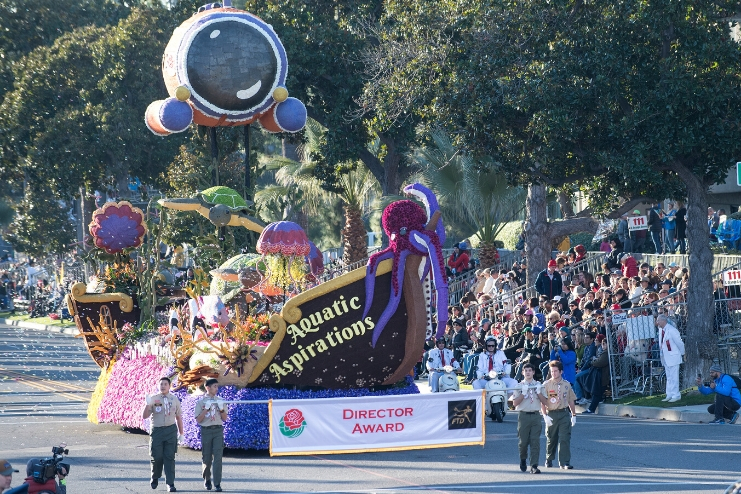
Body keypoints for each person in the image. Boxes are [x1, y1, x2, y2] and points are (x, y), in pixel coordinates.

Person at [142, 376, 184, 492]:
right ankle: (155, 477)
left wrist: (181, 433)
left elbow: (179, 417)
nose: (163, 386)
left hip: (170, 430)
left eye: (165, 384)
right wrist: (147, 404)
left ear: (169, 386)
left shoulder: (174, 399)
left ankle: (170, 483)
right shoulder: (153, 399)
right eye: (161, 384)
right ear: (158, 386)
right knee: (157, 457)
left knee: (170, 458)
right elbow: (145, 416)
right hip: (157, 431)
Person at [540, 360, 577, 469]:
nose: (553, 373)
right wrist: (544, 415)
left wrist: (574, 415)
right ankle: (549, 459)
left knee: (565, 438)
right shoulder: (546, 385)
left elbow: (571, 400)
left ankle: (565, 462)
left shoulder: (566, 384)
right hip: (551, 413)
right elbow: (543, 401)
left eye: (556, 371)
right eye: (552, 371)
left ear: (561, 371)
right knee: (551, 438)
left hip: (563, 413)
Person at [512, 363, 546, 474]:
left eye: (530, 370)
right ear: (522, 373)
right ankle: (523, 459)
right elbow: (515, 403)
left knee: (535, 441)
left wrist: (539, 392)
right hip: (523, 416)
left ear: (533, 372)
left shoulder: (538, 385)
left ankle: (534, 465)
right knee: (523, 442)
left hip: (536, 415)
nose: (528, 372)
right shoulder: (519, 386)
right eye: (525, 370)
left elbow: (545, 402)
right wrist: (523, 393)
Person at [195, 378, 228, 492]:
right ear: (207, 388)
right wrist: (205, 410)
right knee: (207, 457)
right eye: (214, 386)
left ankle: (217, 483)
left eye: (217, 386)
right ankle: (207, 478)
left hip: (218, 430)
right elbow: (198, 420)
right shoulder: (201, 402)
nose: (216, 389)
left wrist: (221, 409)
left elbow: (224, 419)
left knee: (218, 457)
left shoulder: (220, 400)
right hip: (207, 430)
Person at [657, 314, 685, 403]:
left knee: (674, 376)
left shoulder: (672, 330)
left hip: (673, 356)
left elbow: (679, 343)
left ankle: (676, 395)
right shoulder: (661, 330)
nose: (657, 322)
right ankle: (669, 394)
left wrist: (683, 353)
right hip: (665, 357)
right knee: (668, 377)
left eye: (658, 321)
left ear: (663, 321)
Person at [582, 335, 610, 414]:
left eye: (604, 344)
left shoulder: (606, 353)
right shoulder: (603, 352)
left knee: (596, 392)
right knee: (595, 391)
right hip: (599, 375)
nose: (603, 346)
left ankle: (591, 409)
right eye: (602, 344)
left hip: (603, 376)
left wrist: (592, 362)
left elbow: (599, 362)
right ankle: (591, 407)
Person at [574, 333, 597, 404]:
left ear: (592, 339)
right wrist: (579, 368)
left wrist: (581, 370)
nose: (585, 339)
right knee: (572, 376)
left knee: (576, 377)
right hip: (584, 368)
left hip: (591, 368)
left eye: (587, 337)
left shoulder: (593, 347)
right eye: (585, 337)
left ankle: (579, 397)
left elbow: (588, 361)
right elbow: (583, 359)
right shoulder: (586, 347)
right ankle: (578, 396)